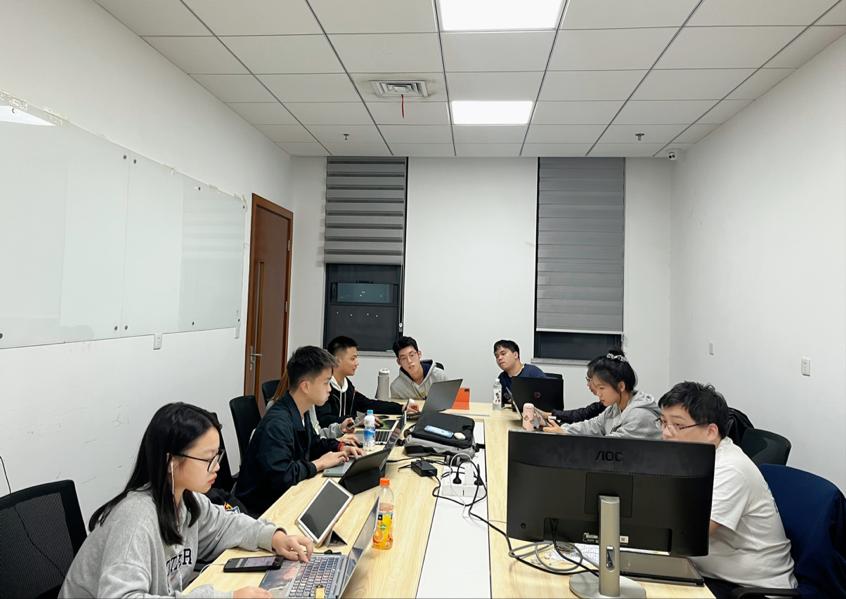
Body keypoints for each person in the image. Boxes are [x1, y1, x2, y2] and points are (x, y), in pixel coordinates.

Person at [60, 403, 313, 599]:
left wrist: (273, 537)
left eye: (217, 456)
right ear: (171, 461)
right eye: (208, 459)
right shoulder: (135, 520)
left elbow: (226, 525)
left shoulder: (187, 501)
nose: (217, 466)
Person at [658, 382, 797, 598]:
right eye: (663, 422)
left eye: (677, 425)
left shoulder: (731, 469)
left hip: (750, 589)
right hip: (709, 572)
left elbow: (688, 535)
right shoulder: (693, 459)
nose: (666, 433)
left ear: (711, 431)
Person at [236, 346, 363, 516]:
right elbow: (283, 477)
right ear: (306, 386)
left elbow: (314, 443)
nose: (329, 389)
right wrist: (320, 464)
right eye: (326, 382)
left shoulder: (301, 410)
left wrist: (340, 447)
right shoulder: (277, 423)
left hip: (287, 498)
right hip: (262, 511)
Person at [541, 350, 661, 439]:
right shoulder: (615, 408)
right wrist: (564, 430)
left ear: (621, 386)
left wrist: (565, 433)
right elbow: (593, 426)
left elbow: (609, 447)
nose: (598, 393)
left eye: (602, 388)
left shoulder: (639, 416)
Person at [316, 335, 418, 428]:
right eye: (353, 359)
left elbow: (367, 404)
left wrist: (401, 408)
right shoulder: (324, 387)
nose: (357, 363)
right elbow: (324, 420)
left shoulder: (347, 385)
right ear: (337, 360)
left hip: (347, 436)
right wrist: (357, 420)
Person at [546, 356, 607, 424]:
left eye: (589, 380)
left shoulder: (609, 407)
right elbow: (583, 415)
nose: (588, 384)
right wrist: (551, 415)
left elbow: (583, 418)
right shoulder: (604, 406)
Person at [493, 339, 546, 404]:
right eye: (497, 356)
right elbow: (500, 405)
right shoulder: (502, 378)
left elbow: (547, 400)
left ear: (515, 355)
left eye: (503, 354)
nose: (499, 358)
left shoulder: (533, 373)